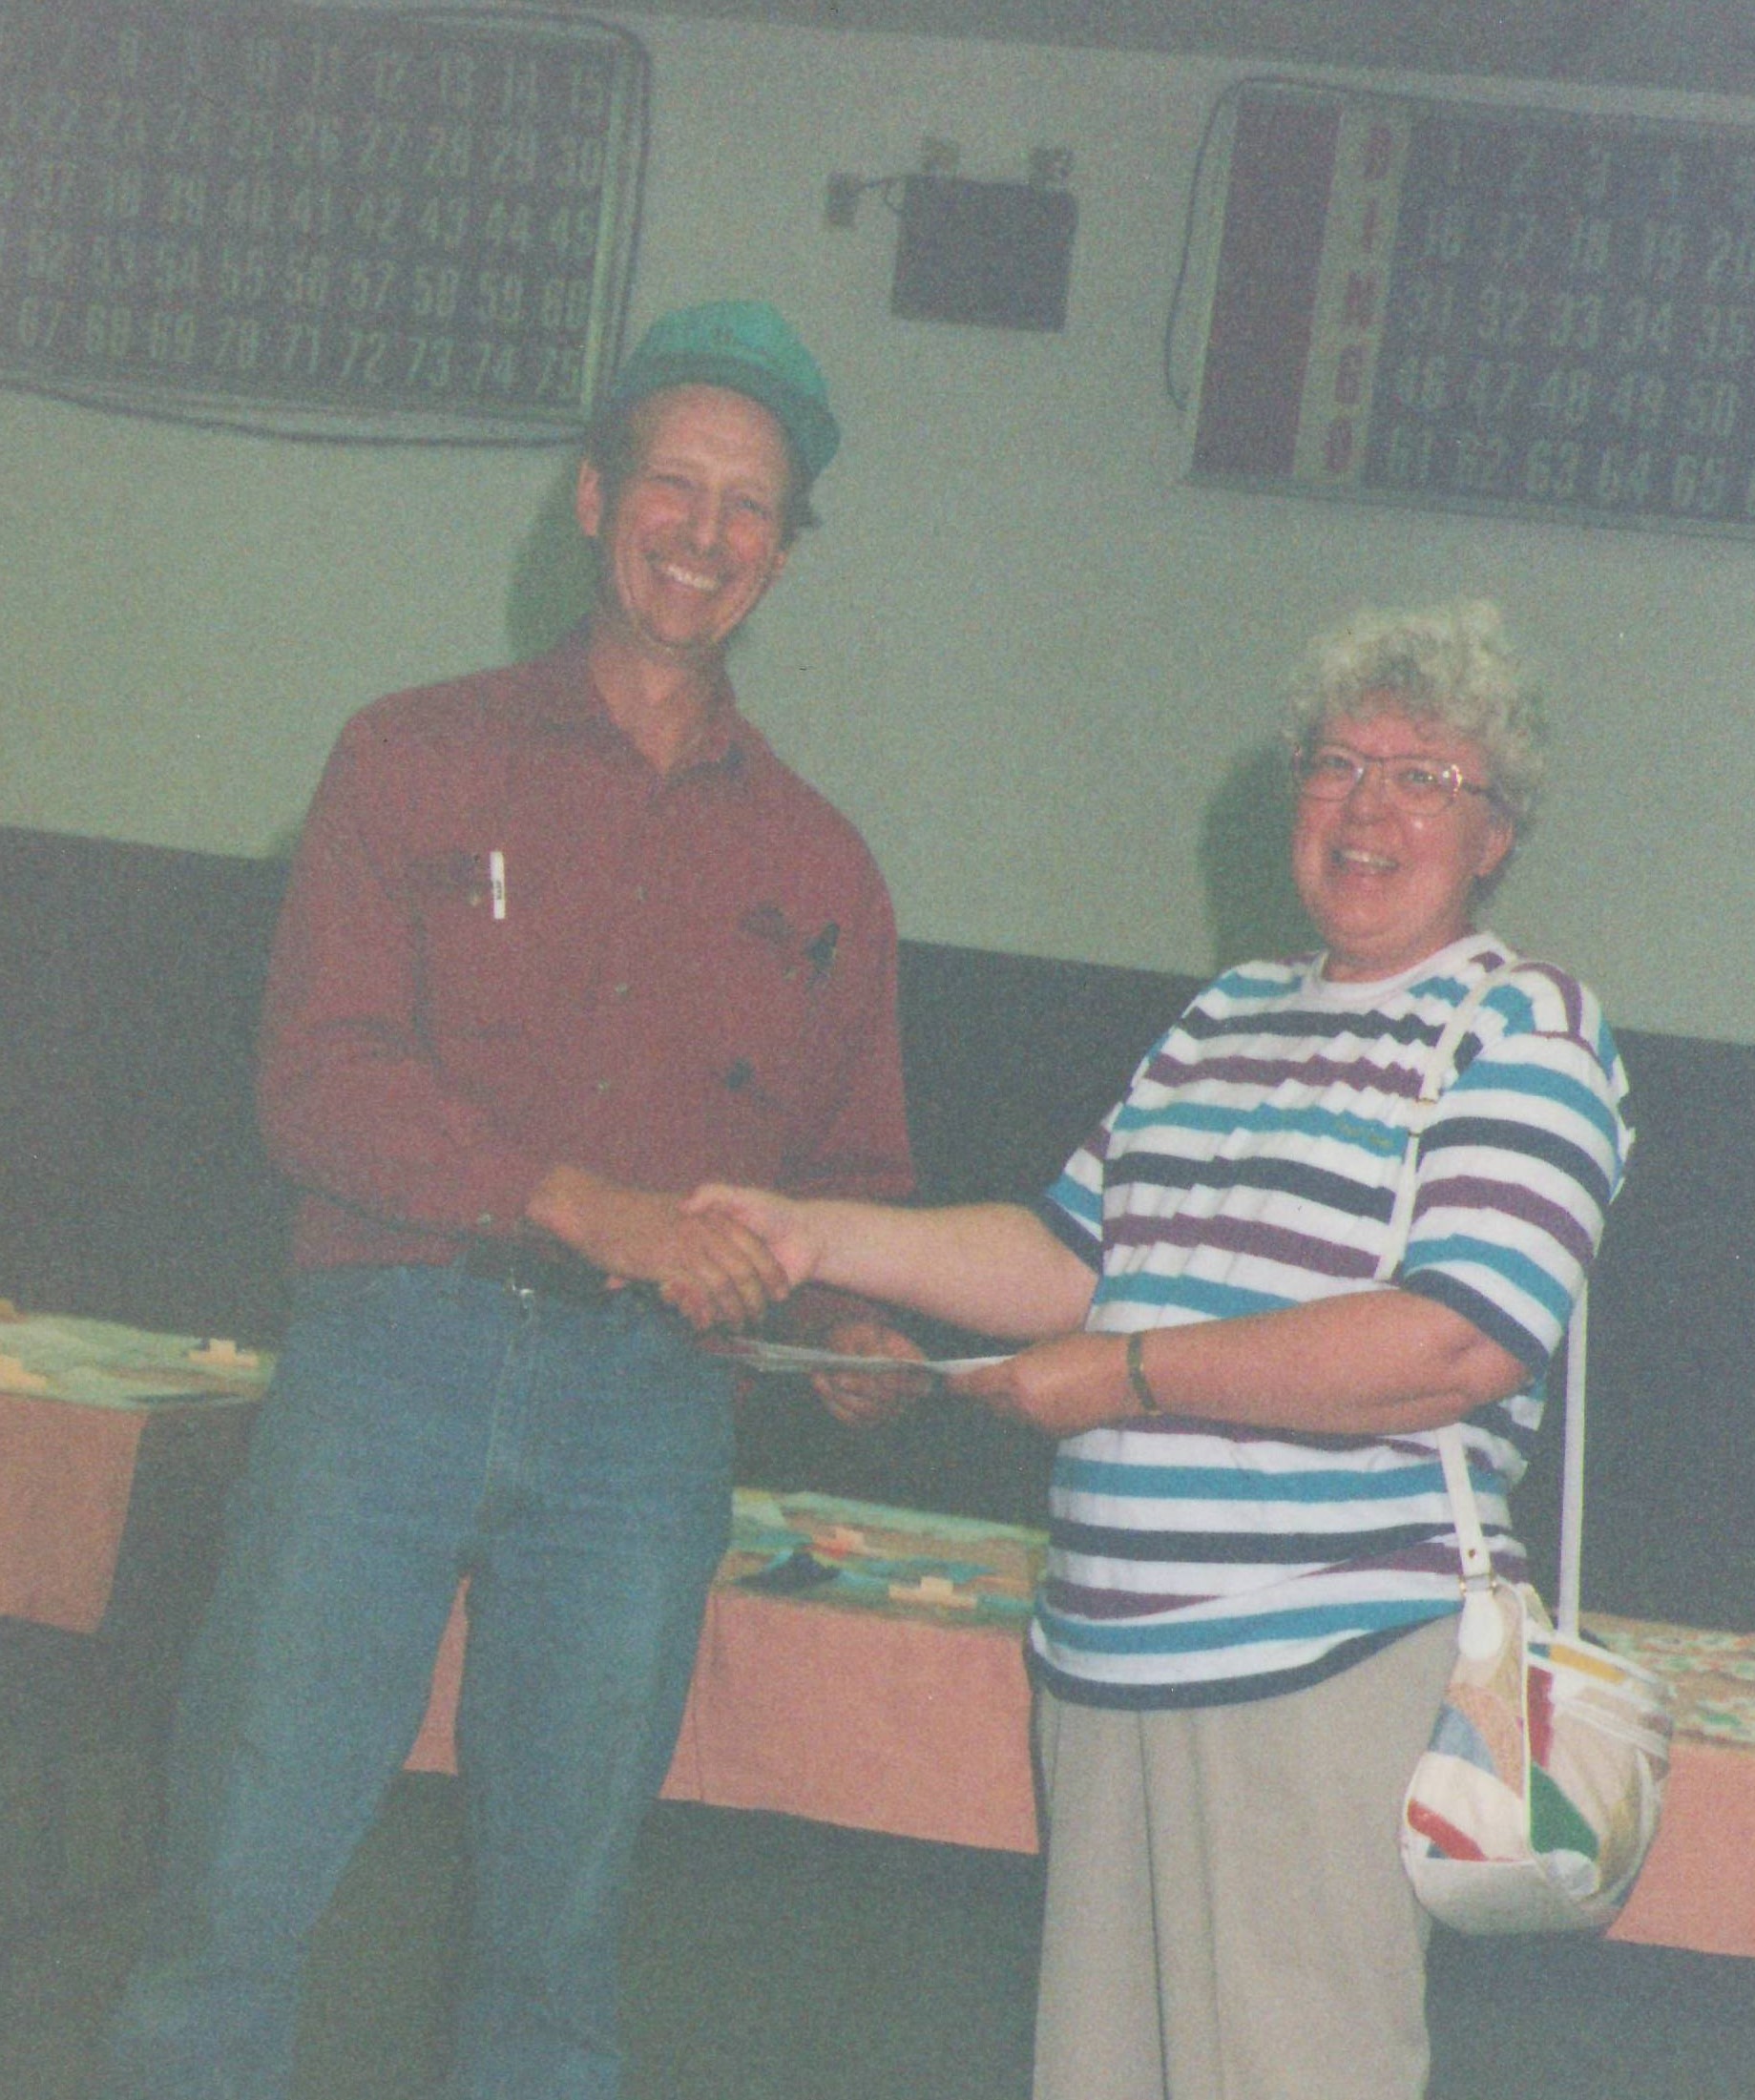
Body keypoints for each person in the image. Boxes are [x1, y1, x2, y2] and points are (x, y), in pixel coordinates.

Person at [102, 301, 912, 2100]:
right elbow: (319, 1084)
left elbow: (854, 1183)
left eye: (752, 506)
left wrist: (856, 1324)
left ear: (785, 553)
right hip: (389, 1362)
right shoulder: (407, 756)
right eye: (674, 485)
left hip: (649, 1416)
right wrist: (576, 1201)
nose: (705, 532)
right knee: (234, 1896)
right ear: (592, 495)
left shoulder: (826, 866)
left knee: (556, 1952)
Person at [692, 600, 1632, 2100]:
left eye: (1423, 778)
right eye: (1336, 766)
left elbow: (1452, 1341)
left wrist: (1130, 1376)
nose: (1368, 809)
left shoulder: (1522, 1027)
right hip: (1105, 1664)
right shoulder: (1223, 1018)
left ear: (1496, 832)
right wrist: (816, 1236)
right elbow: (1071, 1264)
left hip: (1323, 1665)